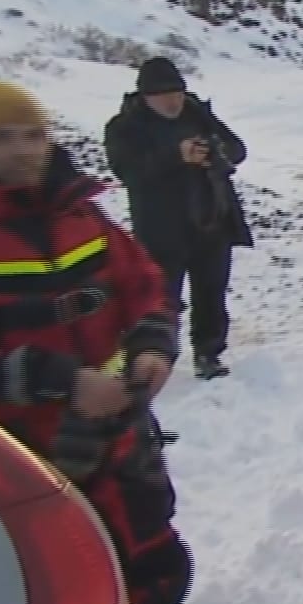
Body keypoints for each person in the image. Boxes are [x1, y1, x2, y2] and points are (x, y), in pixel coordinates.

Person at [0, 79, 234, 604]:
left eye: (33, 134)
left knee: (156, 573)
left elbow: (143, 287)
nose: (23, 150)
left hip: (118, 438)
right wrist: (56, 380)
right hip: (16, 467)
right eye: (1, 137)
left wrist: (154, 346)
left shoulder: (80, 214)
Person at [104, 56, 253, 380]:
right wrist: (176, 156)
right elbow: (127, 171)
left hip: (211, 220)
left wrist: (216, 153)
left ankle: (208, 353)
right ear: (145, 96)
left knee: (211, 292)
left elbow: (238, 148)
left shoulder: (197, 113)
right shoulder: (125, 126)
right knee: (159, 297)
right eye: (164, 94)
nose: (173, 100)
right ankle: (150, 358)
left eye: (178, 92)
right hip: (161, 230)